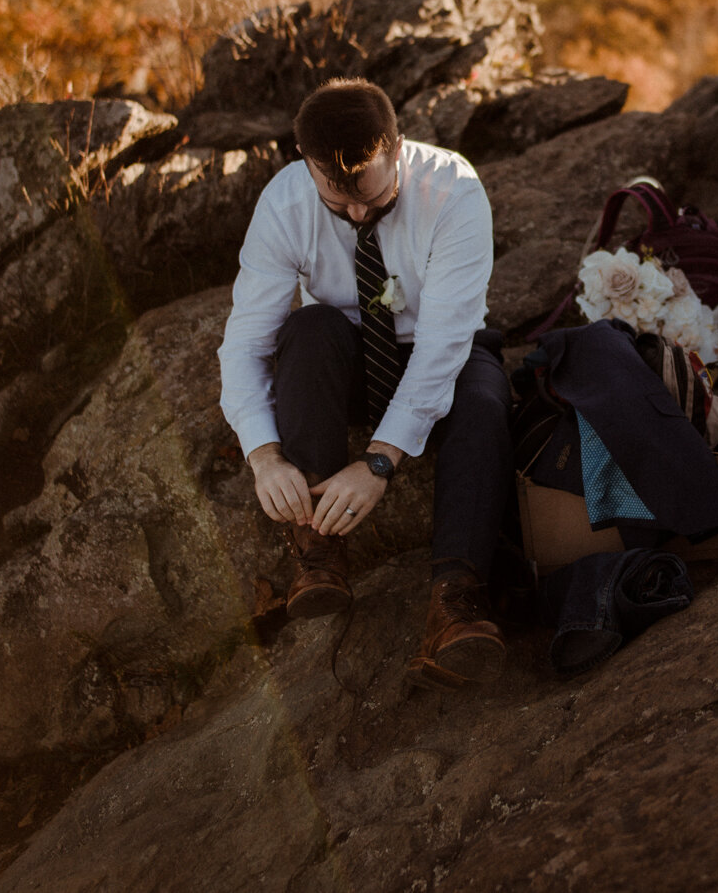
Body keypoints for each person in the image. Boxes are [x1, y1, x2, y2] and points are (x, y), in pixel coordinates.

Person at [217, 78, 514, 690]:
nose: (357, 213)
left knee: (485, 403)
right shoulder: (283, 204)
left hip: (438, 352)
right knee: (307, 330)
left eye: (373, 199)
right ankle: (318, 550)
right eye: (338, 199)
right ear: (306, 164)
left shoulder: (454, 190)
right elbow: (245, 344)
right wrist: (264, 456)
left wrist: (378, 463)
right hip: (346, 356)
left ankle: (455, 601)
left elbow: (443, 345)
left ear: (398, 147)